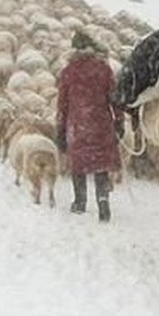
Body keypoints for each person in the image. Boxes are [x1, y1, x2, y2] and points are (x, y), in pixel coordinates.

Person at [56, 31, 123, 221]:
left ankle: (80, 202)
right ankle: (103, 204)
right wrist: (119, 122)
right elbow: (115, 100)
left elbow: (62, 104)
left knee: (78, 164)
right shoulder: (103, 69)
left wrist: (60, 130)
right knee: (101, 165)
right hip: (101, 123)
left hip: (77, 125)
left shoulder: (68, 72)